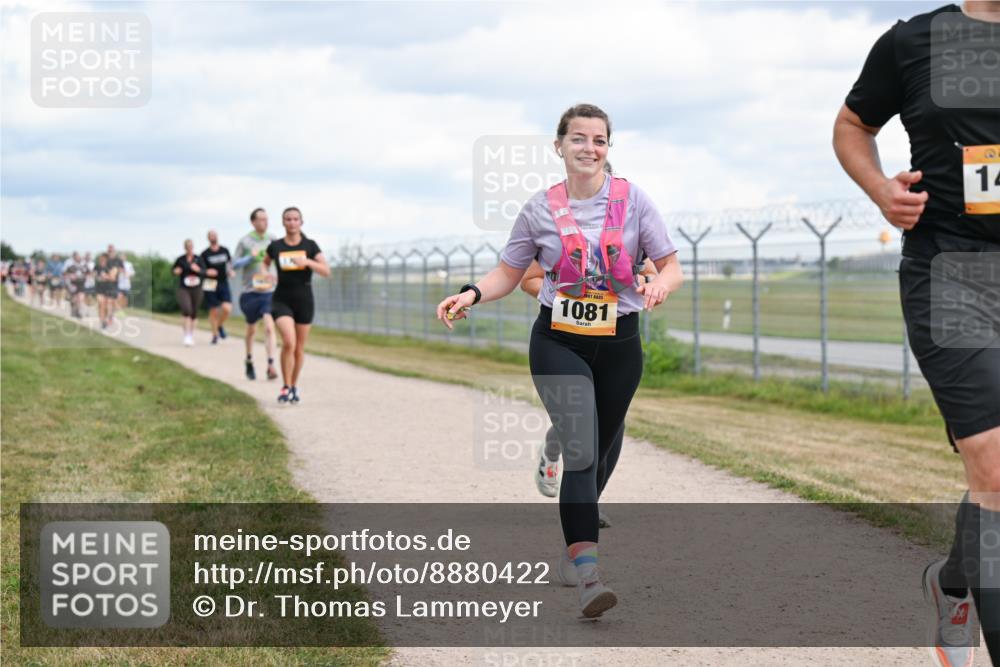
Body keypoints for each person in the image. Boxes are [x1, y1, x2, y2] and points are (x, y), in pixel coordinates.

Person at [436, 104, 682, 618]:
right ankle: (589, 575)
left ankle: (574, 547)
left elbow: (671, 267)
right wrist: (471, 293)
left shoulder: (634, 201)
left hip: (621, 344)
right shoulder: (538, 209)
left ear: (608, 148)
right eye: (578, 138)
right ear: (559, 146)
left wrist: (660, 283)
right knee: (582, 450)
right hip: (558, 342)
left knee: (603, 450)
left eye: (599, 140)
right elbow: (510, 273)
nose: (589, 148)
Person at [833, 3, 999, 665]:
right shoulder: (913, 41)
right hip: (951, 268)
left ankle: (953, 580)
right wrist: (881, 189)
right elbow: (853, 124)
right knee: (993, 459)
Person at [521, 258, 658, 534]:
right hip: (565, 340)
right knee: (579, 417)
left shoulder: (625, 235)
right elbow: (528, 280)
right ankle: (554, 456)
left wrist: (643, 284)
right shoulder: (556, 234)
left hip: (614, 342)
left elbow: (651, 273)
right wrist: (567, 298)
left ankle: (588, 503)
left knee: (610, 423)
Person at [263, 207, 330, 404]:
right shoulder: (275, 246)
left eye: (295, 219)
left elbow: (326, 271)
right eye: (288, 219)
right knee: (289, 342)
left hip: (304, 300)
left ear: (301, 222)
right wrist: (267, 274)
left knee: (299, 348)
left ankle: (293, 386)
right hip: (281, 299)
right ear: (283, 222)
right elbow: (265, 263)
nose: (292, 222)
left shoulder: (310, 245)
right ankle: (285, 387)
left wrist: (307, 262)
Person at [233, 207, 279, 381]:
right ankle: (249, 359)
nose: (265, 222)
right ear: (253, 222)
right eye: (261, 219)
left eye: (266, 219)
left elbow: (281, 260)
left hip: (269, 291)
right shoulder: (245, 241)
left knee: (269, 327)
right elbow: (234, 264)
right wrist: (249, 258)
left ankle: (271, 364)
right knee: (251, 329)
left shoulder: (273, 239)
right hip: (250, 292)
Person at [200, 230, 234, 344]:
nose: (213, 237)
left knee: (227, 308)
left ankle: (219, 326)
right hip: (210, 282)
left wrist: (231, 271)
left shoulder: (224, 250)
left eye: (214, 235)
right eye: (211, 235)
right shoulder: (205, 254)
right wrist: (206, 272)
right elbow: (200, 270)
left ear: (217, 237)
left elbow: (229, 264)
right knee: (213, 310)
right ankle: (215, 335)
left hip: (223, 281)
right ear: (208, 238)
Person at [172, 239, 206, 346]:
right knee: (187, 310)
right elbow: (173, 270)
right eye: (187, 246)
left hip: (197, 288)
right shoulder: (180, 260)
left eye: (191, 246)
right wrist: (176, 271)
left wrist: (198, 270)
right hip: (184, 288)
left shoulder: (198, 259)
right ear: (185, 247)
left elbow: (204, 272)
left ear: (193, 247)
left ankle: (191, 335)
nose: (189, 248)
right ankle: (186, 335)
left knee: (194, 313)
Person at [94, 253, 118, 329]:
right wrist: (95, 276)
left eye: (103, 259)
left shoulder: (111, 267)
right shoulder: (97, 266)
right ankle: (103, 321)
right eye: (100, 259)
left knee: (107, 306)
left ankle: (109, 316)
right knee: (100, 304)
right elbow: (93, 274)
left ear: (107, 260)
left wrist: (105, 276)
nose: (101, 261)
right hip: (99, 289)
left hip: (108, 288)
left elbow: (113, 278)